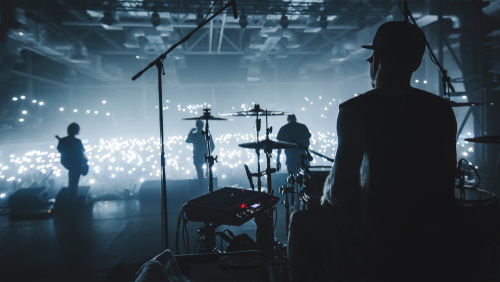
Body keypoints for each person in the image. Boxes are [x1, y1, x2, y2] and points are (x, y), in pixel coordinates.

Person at [288, 21, 459, 282]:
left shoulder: (355, 110)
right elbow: (447, 180)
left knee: (299, 220)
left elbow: (341, 190)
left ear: (376, 60)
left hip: (376, 246)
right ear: (416, 63)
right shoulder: (441, 110)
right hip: (433, 243)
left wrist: (325, 199)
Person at [57, 123, 88, 203]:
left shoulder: (64, 140)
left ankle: (71, 199)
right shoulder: (77, 141)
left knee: (72, 181)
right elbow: (81, 153)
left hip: (69, 164)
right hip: (76, 164)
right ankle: (73, 201)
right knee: (74, 183)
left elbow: (60, 150)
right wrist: (83, 164)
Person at [185, 120, 214, 187]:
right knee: (208, 174)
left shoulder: (194, 135)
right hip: (204, 156)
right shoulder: (207, 134)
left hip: (197, 157)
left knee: (200, 175)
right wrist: (208, 152)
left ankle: (202, 188)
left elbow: (187, 140)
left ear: (196, 126)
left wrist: (190, 132)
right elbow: (213, 145)